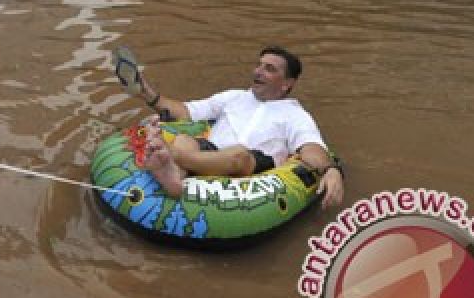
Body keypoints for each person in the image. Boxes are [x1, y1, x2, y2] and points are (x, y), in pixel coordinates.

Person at [128, 46, 344, 209]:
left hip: (252, 163)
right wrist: (146, 92)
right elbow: (186, 111)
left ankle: (170, 156)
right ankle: (173, 176)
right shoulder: (234, 97)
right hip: (212, 151)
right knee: (185, 140)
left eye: (269, 69)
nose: (258, 71)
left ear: (287, 83)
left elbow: (311, 148)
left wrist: (330, 169)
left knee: (238, 155)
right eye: (259, 65)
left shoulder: (295, 114)